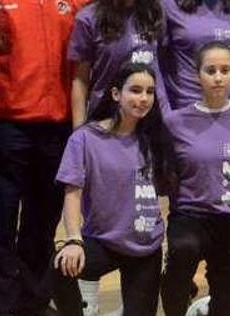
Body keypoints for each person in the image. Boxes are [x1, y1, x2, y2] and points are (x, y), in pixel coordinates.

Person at [0, 0, 93, 315]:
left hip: (58, 129)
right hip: (6, 126)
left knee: (41, 221)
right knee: (1, 220)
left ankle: (32, 299)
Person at [50, 64, 166, 316]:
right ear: (116, 94)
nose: (143, 98)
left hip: (145, 247)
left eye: (149, 92)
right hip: (103, 242)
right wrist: (73, 239)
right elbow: (72, 192)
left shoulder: (154, 137)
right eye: (135, 90)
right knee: (60, 267)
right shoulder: (84, 139)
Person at [160, 42, 230, 316]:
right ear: (198, 75)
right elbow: (167, 174)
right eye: (210, 70)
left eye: (224, 70)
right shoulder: (175, 122)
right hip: (191, 216)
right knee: (183, 251)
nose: (218, 77)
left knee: (229, 308)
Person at [67, 0, 163, 128]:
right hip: (105, 118)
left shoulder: (156, 14)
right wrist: (78, 130)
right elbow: (80, 80)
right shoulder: (89, 18)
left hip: (149, 119)